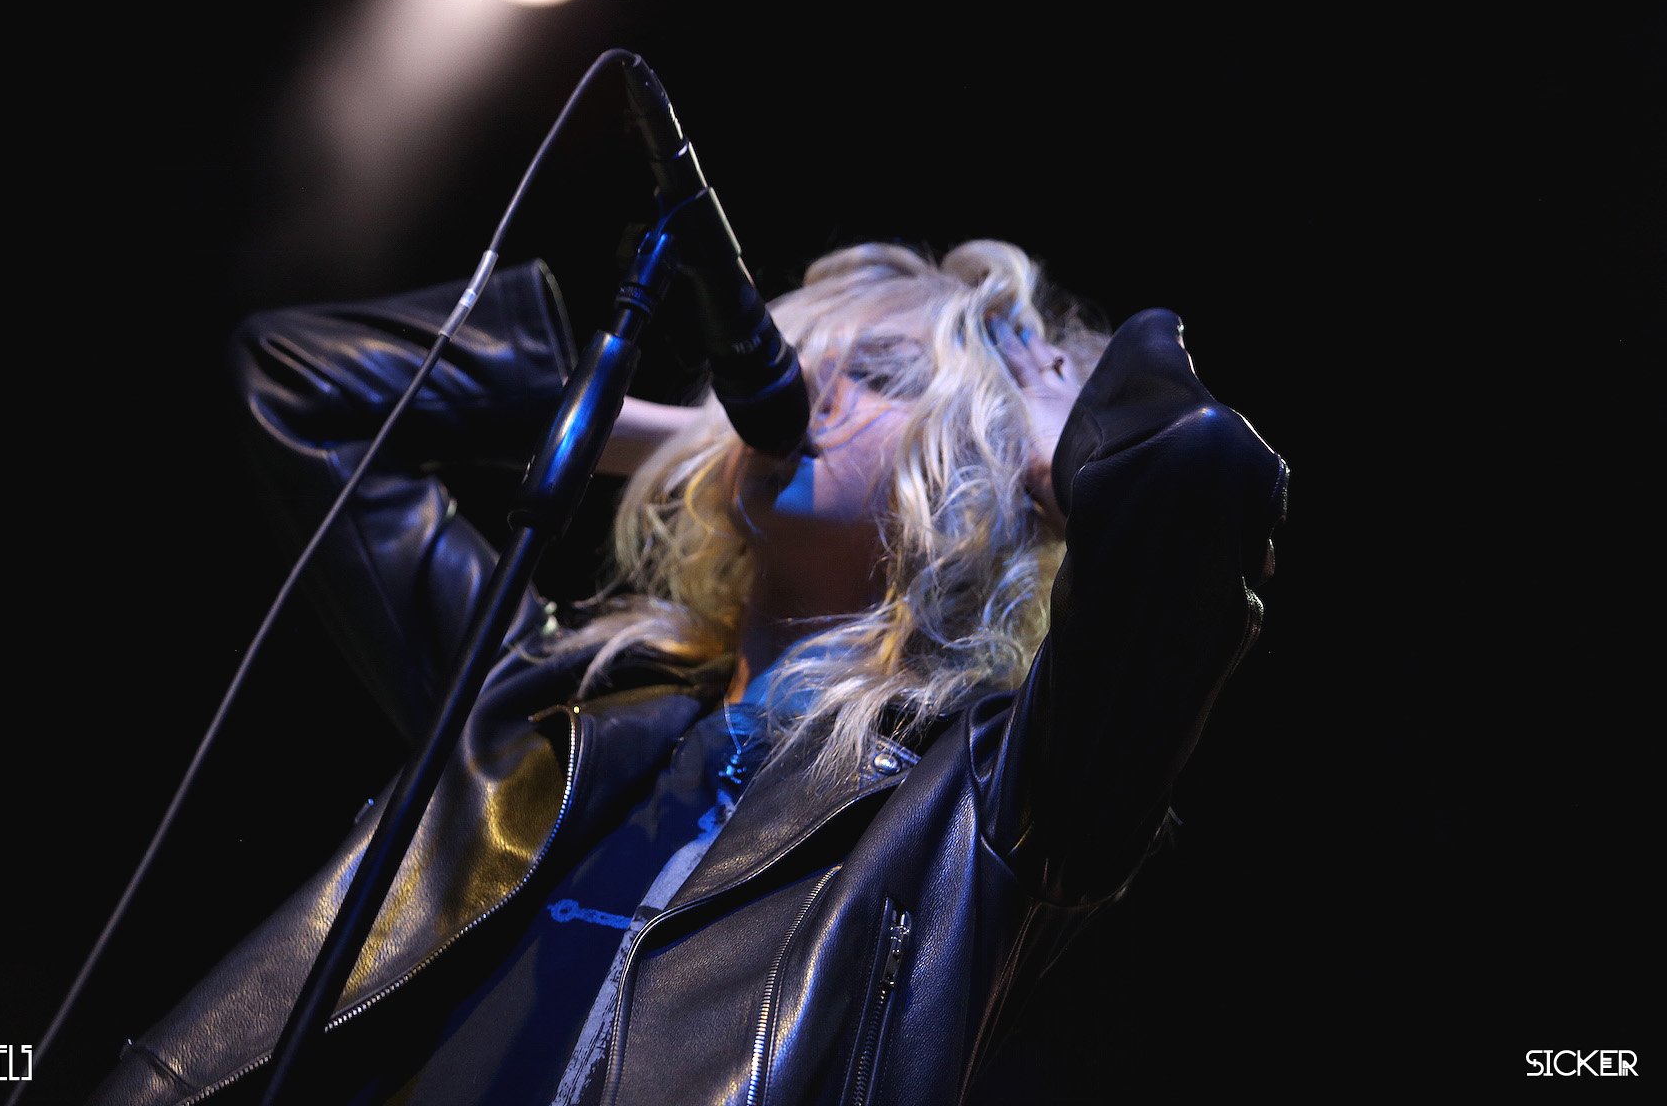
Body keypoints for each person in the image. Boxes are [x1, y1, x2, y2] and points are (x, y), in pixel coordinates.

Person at [90, 240, 1286, 1106]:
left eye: (874, 373)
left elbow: (1188, 491)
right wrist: (664, 429)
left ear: (984, 466)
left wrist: (1056, 451)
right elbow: (297, 381)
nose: (804, 394)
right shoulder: (550, 689)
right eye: (791, 367)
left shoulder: (982, 800)